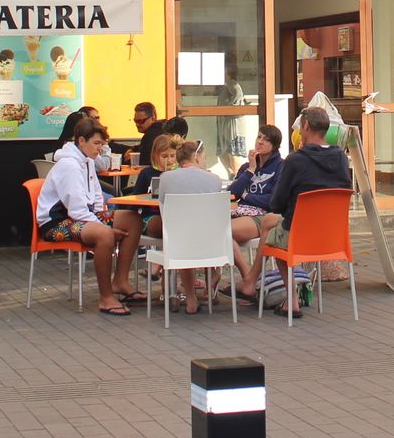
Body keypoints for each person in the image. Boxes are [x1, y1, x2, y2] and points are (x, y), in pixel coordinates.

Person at [34, 121, 145, 315]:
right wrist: (106, 227)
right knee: (104, 235)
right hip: (56, 222)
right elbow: (76, 210)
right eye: (96, 144)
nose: (100, 149)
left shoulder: (86, 160)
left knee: (132, 218)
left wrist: (103, 216)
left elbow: (95, 197)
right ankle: (106, 298)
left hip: (79, 216)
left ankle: (120, 281)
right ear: (81, 141)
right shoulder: (69, 165)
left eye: (102, 144)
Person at [150, 140, 257, 313]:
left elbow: (163, 207)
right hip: (211, 244)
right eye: (204, 156)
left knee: (182, 235)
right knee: (204, 230)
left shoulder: (165, 178)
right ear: (196, 157)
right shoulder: (213, 180)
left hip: (178, 244)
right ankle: (212, 286)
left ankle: (191, 300)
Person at [265, 108, 353, 316]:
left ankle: (291, 299)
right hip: (333, 239)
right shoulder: (340, 157)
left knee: (271, 233)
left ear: (305, 126)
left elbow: (276, 204)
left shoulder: (295, 160)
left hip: (298, 237)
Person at [131, 117, 187, 194]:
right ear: (155, 155)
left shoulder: (180, 172)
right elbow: (136, 197)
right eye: (164, 156)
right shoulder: (146, 173)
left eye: (172, 156)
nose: (169, 160)